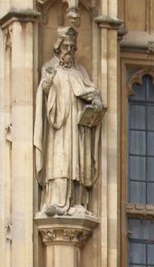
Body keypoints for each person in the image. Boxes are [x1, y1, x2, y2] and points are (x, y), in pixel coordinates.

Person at [34, 26, 105, 216]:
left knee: (77, 161)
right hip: (58, 127)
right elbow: (45, 93)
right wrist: (47, 83)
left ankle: (77, 200)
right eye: (66, 46)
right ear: (58, 48)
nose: (69, 51)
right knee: (60, 160)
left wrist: (96, 100)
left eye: (72, 47)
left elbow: (90, 91)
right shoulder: (50, 69)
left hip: (77, 127)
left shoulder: (79, 71)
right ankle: (55, 200)